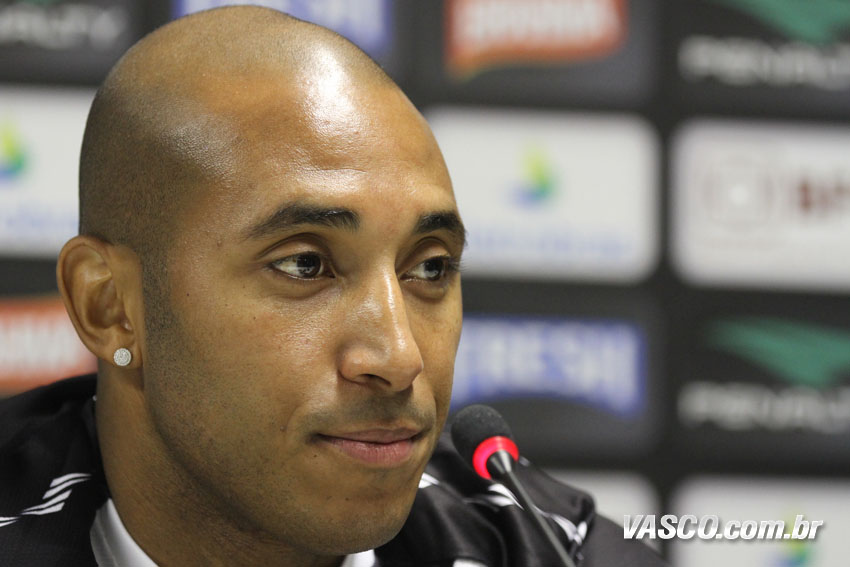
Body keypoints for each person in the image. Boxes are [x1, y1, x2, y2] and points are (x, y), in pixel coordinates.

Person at [0, 6, 666, 566]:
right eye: (305, 265)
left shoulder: (550, 549)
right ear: (109, 306)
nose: (400, 358)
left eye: (430, 268)